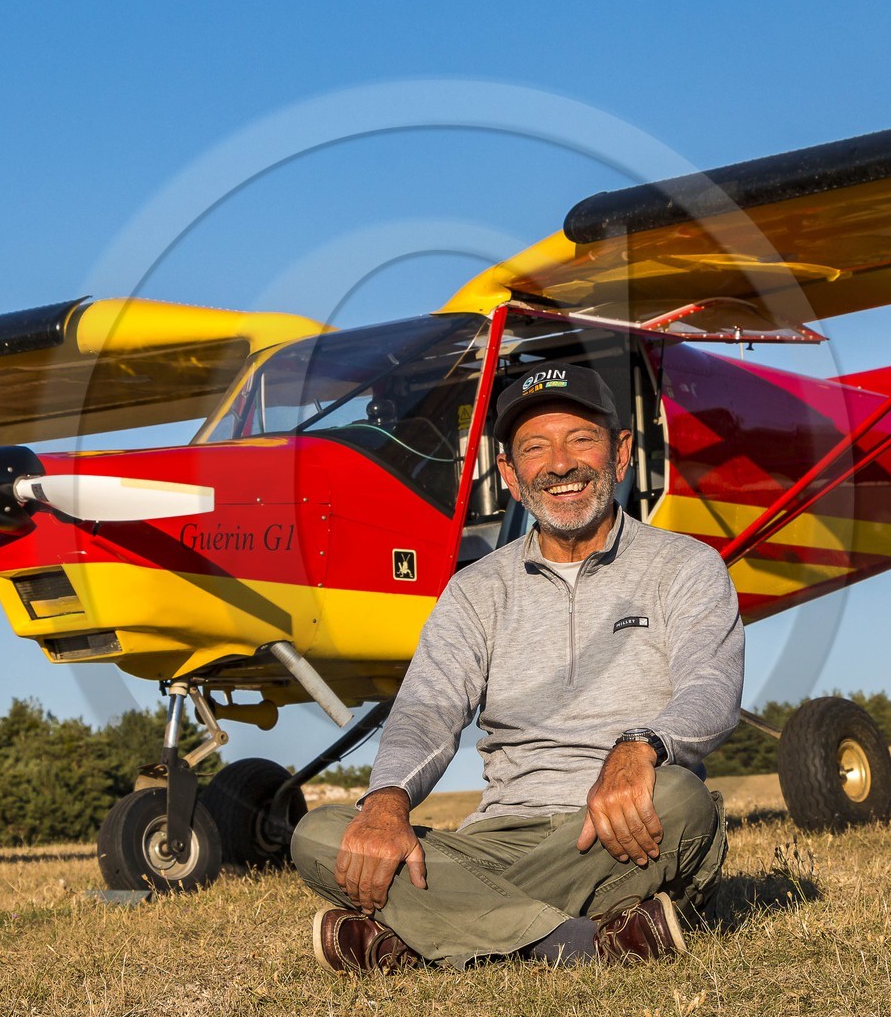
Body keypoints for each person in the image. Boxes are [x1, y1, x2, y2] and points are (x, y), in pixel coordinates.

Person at [291, 364, 745, 972]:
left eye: (581, 439)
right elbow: (427, 709)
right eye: (535, 448)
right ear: (509, 473)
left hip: (626, 827)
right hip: (495, 839)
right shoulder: (475, 589)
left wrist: (640, 746)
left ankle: (425, 937)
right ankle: (584, 940)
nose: (560, 464)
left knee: (681, 797)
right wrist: (386, 804)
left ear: (622, 453)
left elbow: (712, 688)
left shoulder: (686, 566)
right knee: (320, 832)